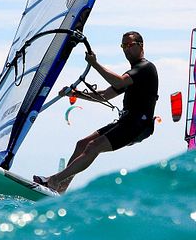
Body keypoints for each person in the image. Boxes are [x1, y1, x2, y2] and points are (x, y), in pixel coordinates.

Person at [34, 31, 158, 193]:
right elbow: (105, 95)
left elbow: (119, 82)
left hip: (138, 124)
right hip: (126, 122)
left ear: (140, 46)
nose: (126, 49)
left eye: (130, 45)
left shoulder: (145, 68)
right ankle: (61, 189)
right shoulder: (132, 74)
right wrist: (76, 94)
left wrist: (94, 64)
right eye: (123, 46)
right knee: (82, 144)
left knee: (93, 146)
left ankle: (54, 180)